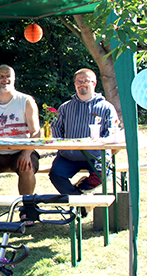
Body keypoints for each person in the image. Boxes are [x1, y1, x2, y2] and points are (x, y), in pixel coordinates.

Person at [0, 64, 40, 226]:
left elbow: (35, 132)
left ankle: (27, 209)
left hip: (20, 151)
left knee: (27, 166)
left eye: (8, 76)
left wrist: (26, 153)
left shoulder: (26, 101)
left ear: (14, 79)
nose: (5, 80)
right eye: (0, 77)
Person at [49, 68, 118, 197]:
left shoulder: (106, 107)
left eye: (86, 81)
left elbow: (111, 132)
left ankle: (82, 188)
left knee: (104, 174)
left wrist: (100, 143)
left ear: (94, 83)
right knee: (56, 174)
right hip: (69, 155)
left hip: (96, 155)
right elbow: (56, 128)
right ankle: (79, 202)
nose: (82, 84)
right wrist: (62, 145)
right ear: (75, 84)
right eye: (78, 81)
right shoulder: (65, 107)